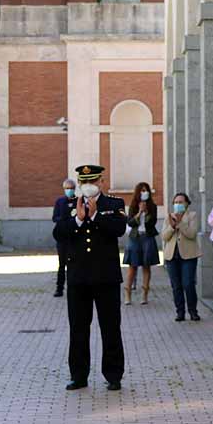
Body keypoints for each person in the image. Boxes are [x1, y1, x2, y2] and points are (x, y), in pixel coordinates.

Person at [54, 164, 127, 392]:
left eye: (92, 182)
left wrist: (94, 216)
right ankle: (79, 375)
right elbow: (58, 232)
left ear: (101, 182)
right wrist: (78, 220)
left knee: (110, 328)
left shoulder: (114, 204)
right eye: (84, 183)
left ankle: (113, 375)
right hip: (78, 279)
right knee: (78, 329)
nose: (88, 187)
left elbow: (119, 229)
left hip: (106, 278)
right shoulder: (70, 207)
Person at [161, 192, 201, 321]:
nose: (178, 205)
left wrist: (180, 223)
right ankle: (180, 312)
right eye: (176, 202)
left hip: (188, 255)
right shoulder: (169, 217)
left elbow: (192, 234)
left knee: (188, 283)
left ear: (186, 203)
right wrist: (172, 226)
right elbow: (164, 236)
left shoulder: (192, 216)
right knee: (176, 285)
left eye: (181, 202)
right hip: (172, 256)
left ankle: (193, 311)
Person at [123, 182, 160, 305]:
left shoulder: (153, 206)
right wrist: (139, 212)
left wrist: (146, 212)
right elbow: (130, 223)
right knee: (132, 266)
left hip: (147, 237)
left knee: (146, 265)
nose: (145, 193)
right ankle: (127, 294)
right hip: (135, 237)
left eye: (146, 190)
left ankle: (145, 294)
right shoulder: (133, 206)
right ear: (138, 192)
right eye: (142, 190)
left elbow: (152, 223)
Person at [51, 178, 78, 297]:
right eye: (67, 188)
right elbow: (54, 217)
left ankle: (74, 287)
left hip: (74, 237)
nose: (69, 190)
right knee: (62, 264)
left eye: (71, 188)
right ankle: (59, 288)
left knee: (74, 264)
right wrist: (61, 220)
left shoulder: (79, 201)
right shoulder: (60, 201)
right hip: (62, 237)